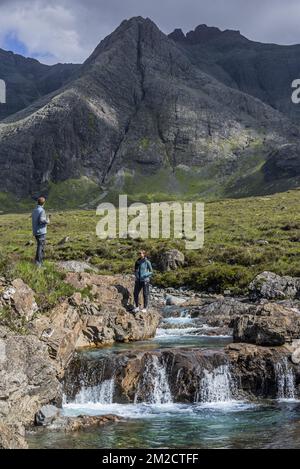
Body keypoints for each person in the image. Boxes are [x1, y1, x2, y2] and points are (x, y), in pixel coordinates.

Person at [32, 196, 51, 267]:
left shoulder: (35, 210)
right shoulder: (42, 210)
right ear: (44, 203)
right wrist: (48, 220)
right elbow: (41, 220)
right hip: (41, 232)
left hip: (36, 231)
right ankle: (38, 264)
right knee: (41, 247)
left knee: (40, 246)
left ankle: (39, 262)